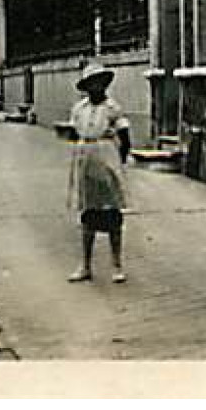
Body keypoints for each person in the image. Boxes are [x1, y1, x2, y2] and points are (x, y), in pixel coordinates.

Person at [66, 63, 131, 284]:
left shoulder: (113, 108)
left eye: (100, 83)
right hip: (86, 158)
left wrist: (119, 162)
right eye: (92, 83)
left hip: (107, 156)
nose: (96, 87)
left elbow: (125, 137)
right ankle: (85, 265)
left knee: (112, 212)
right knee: (88, 213)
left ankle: (116, 265)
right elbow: (73, 133)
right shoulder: (79, 109)